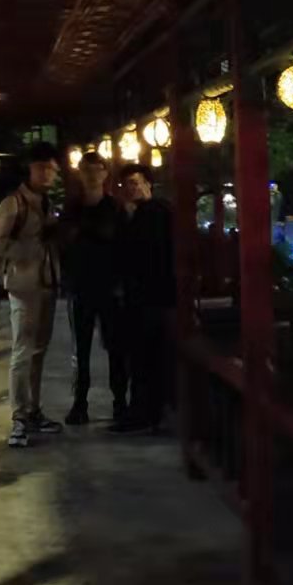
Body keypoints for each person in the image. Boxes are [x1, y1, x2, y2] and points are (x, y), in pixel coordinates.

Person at [0, 141, 64, 448]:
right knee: (23, 350)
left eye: (52, 169)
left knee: (39, 350)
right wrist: (31, 249)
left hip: (47, 281)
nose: (48, 174)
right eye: (42, 168)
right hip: (23, 283)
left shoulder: (46, 202)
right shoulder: (14, 203)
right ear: (29, 170)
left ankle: (33, 409)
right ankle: (19, 416)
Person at [60, 152, 125, 425]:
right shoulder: (73, 207)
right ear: (80, 173)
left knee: (116, 347)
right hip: (80, 285)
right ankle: (80, 402)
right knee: (81, 349)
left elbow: (116, 240)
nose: (92, 174)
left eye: (97, 169)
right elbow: (65, 241)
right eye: (87, 169)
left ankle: (120, 402)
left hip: (109, 286)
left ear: (105, 173)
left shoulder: (114, 207)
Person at [112, 163, 176, 435]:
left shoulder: (154, 213)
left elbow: (138, 254)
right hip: (146, 296)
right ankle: (149, 412)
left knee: (145, 358)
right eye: (127, 184)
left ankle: (145, 412)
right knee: (145, 358)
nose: (132, 188)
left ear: (149, 184)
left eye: (136, 182)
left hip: (151, 296)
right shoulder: (141, 214)